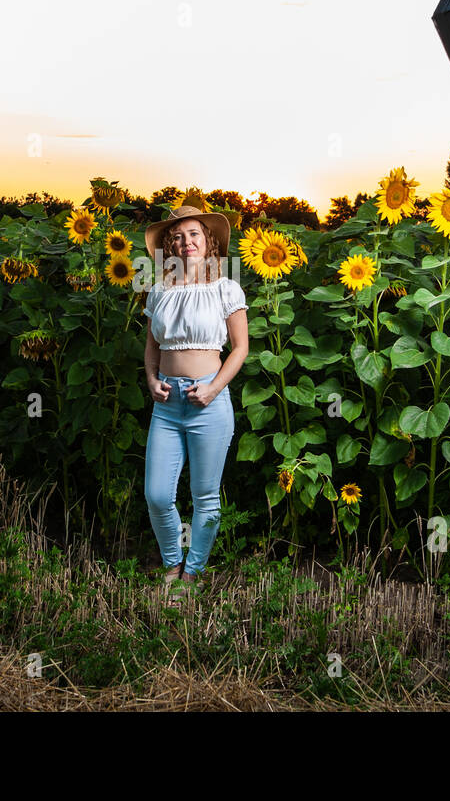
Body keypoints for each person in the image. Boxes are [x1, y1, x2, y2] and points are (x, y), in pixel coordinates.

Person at [141, 205, 249, 604]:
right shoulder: (160, 290)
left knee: (205, 496)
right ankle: (172, 562)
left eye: (194, 235)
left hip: (208, 400)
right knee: (156, 494)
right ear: (171, 244)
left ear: (209, 242)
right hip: (167, 403)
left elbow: (240, 349)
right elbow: (151, 348)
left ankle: (193, 572)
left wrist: (213, 389)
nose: (186, 242)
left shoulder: (226, 287)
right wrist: (152, 380)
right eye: (178, 237)